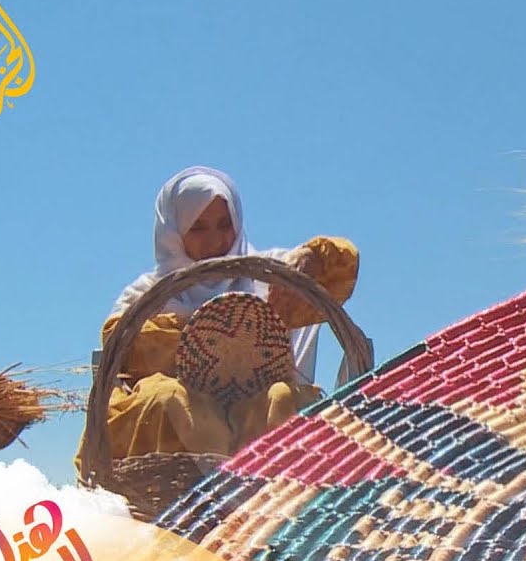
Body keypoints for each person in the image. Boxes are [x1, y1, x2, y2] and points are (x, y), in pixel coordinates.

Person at [76, 165, 359, 465]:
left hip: (257, 409)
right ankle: (197, 486)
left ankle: (267, 485)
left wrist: (312, 257)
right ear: (173, 232)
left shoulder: (265, 274)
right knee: (168, 398)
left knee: (282, 396)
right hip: (175, 430)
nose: (214, 241)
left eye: (225, 225)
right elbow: (120, 344)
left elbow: (341, 264)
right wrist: (200, 334)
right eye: (198, 228)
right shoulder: (148, 295)